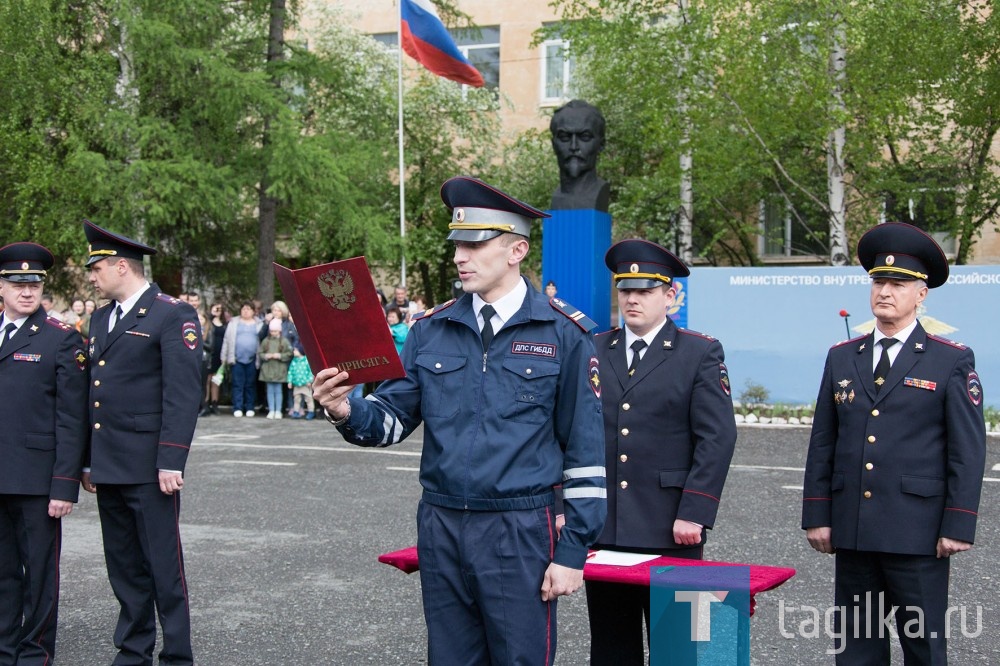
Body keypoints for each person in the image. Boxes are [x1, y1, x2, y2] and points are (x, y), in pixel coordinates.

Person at [313, 175, 607, 666]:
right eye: (456, 244)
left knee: (519, 659)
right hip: (442, 522)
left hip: (519, 527)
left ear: (516, 250)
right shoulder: (432, 329)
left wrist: (574, 548)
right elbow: (391, 418)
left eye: (474, 244)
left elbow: (585, 451)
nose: (459, 257)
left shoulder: (564, 333)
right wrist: (345, 409)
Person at [802, 222, 986, 664]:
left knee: (923, 647)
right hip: (854, 528)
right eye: (879, 282)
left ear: (921, 294)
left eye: (899, 284)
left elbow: (968, 448)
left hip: (917, 531)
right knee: (856, 648)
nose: (886, 291)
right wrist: (817, 514)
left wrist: (957, 524)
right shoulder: (843, 357)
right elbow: (824, 440)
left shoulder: (950, 359)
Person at [587, 239, 737, 664]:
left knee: (681, 648)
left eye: (646, 290)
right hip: (607, 525)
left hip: (672, 525)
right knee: (612, 647)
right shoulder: (595, 350)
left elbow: (717, 437)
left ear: (670, 296)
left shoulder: (699, 352)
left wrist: (696, 509)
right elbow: (574, 434)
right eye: (625, 290)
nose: (632, 299)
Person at [79, 220, 203, 666]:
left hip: (151, 467)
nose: (92, 278)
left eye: (96, 270)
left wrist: (172, 459)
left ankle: (176, 655)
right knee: (124, 567)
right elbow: (94, 391)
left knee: (163, 568)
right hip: (110, 464)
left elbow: (183, 392)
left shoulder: (172, 314)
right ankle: (133, 650)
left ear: (120, 267)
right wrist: (88, 462)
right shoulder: (99, 318)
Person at [0, 242, 88, 665]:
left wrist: (65, 484)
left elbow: (73, 418)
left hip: (37, 478)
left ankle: (33, 654)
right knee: (2, 575)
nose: (26, 292)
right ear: (1, 287)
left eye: (33, 284)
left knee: (38, 575)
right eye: (17, 284)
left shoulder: (60, 338)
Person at [549, 99, 610, 212]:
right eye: (564, 137)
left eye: (584, 137)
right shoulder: (557, 197)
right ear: (554, 145)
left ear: (601, 145)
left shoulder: (599, 193)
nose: (573, 147)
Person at [221, 302, 263, 417]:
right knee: (237, 384)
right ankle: (237, 407)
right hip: (236, 358)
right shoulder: (234, 323)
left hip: (253, 359)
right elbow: (226, 340)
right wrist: (224, 357)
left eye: (248, 309)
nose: (245, 311)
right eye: (243, 309)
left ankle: (249, 407)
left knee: (250, 384)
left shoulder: (259, 323)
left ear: (253, 311)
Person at [258, 318, 292, 419]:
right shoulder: (266, 341)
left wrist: (280, 356)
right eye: (272, 331)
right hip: (268, 369)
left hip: (279, 369)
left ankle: (278, 410)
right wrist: (266, 356)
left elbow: (289, 353)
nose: (273, 333)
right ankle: (271, 410)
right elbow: (260, 353)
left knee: (278, 390)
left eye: (275, 331)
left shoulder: (284, 341)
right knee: (269, 390)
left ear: (279, 331)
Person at [286, 342, 315, 419]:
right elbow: (290, 372)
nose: (294, 352)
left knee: (308, 399)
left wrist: (310, 381)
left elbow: (310, 372)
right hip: (296, 384)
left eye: (295, 350)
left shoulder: (307, 361)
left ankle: (311, 412)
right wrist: (290, 381)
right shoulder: (294, 361)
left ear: (301, 351)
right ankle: (296, 411)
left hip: (306, 385)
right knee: (296, 399)